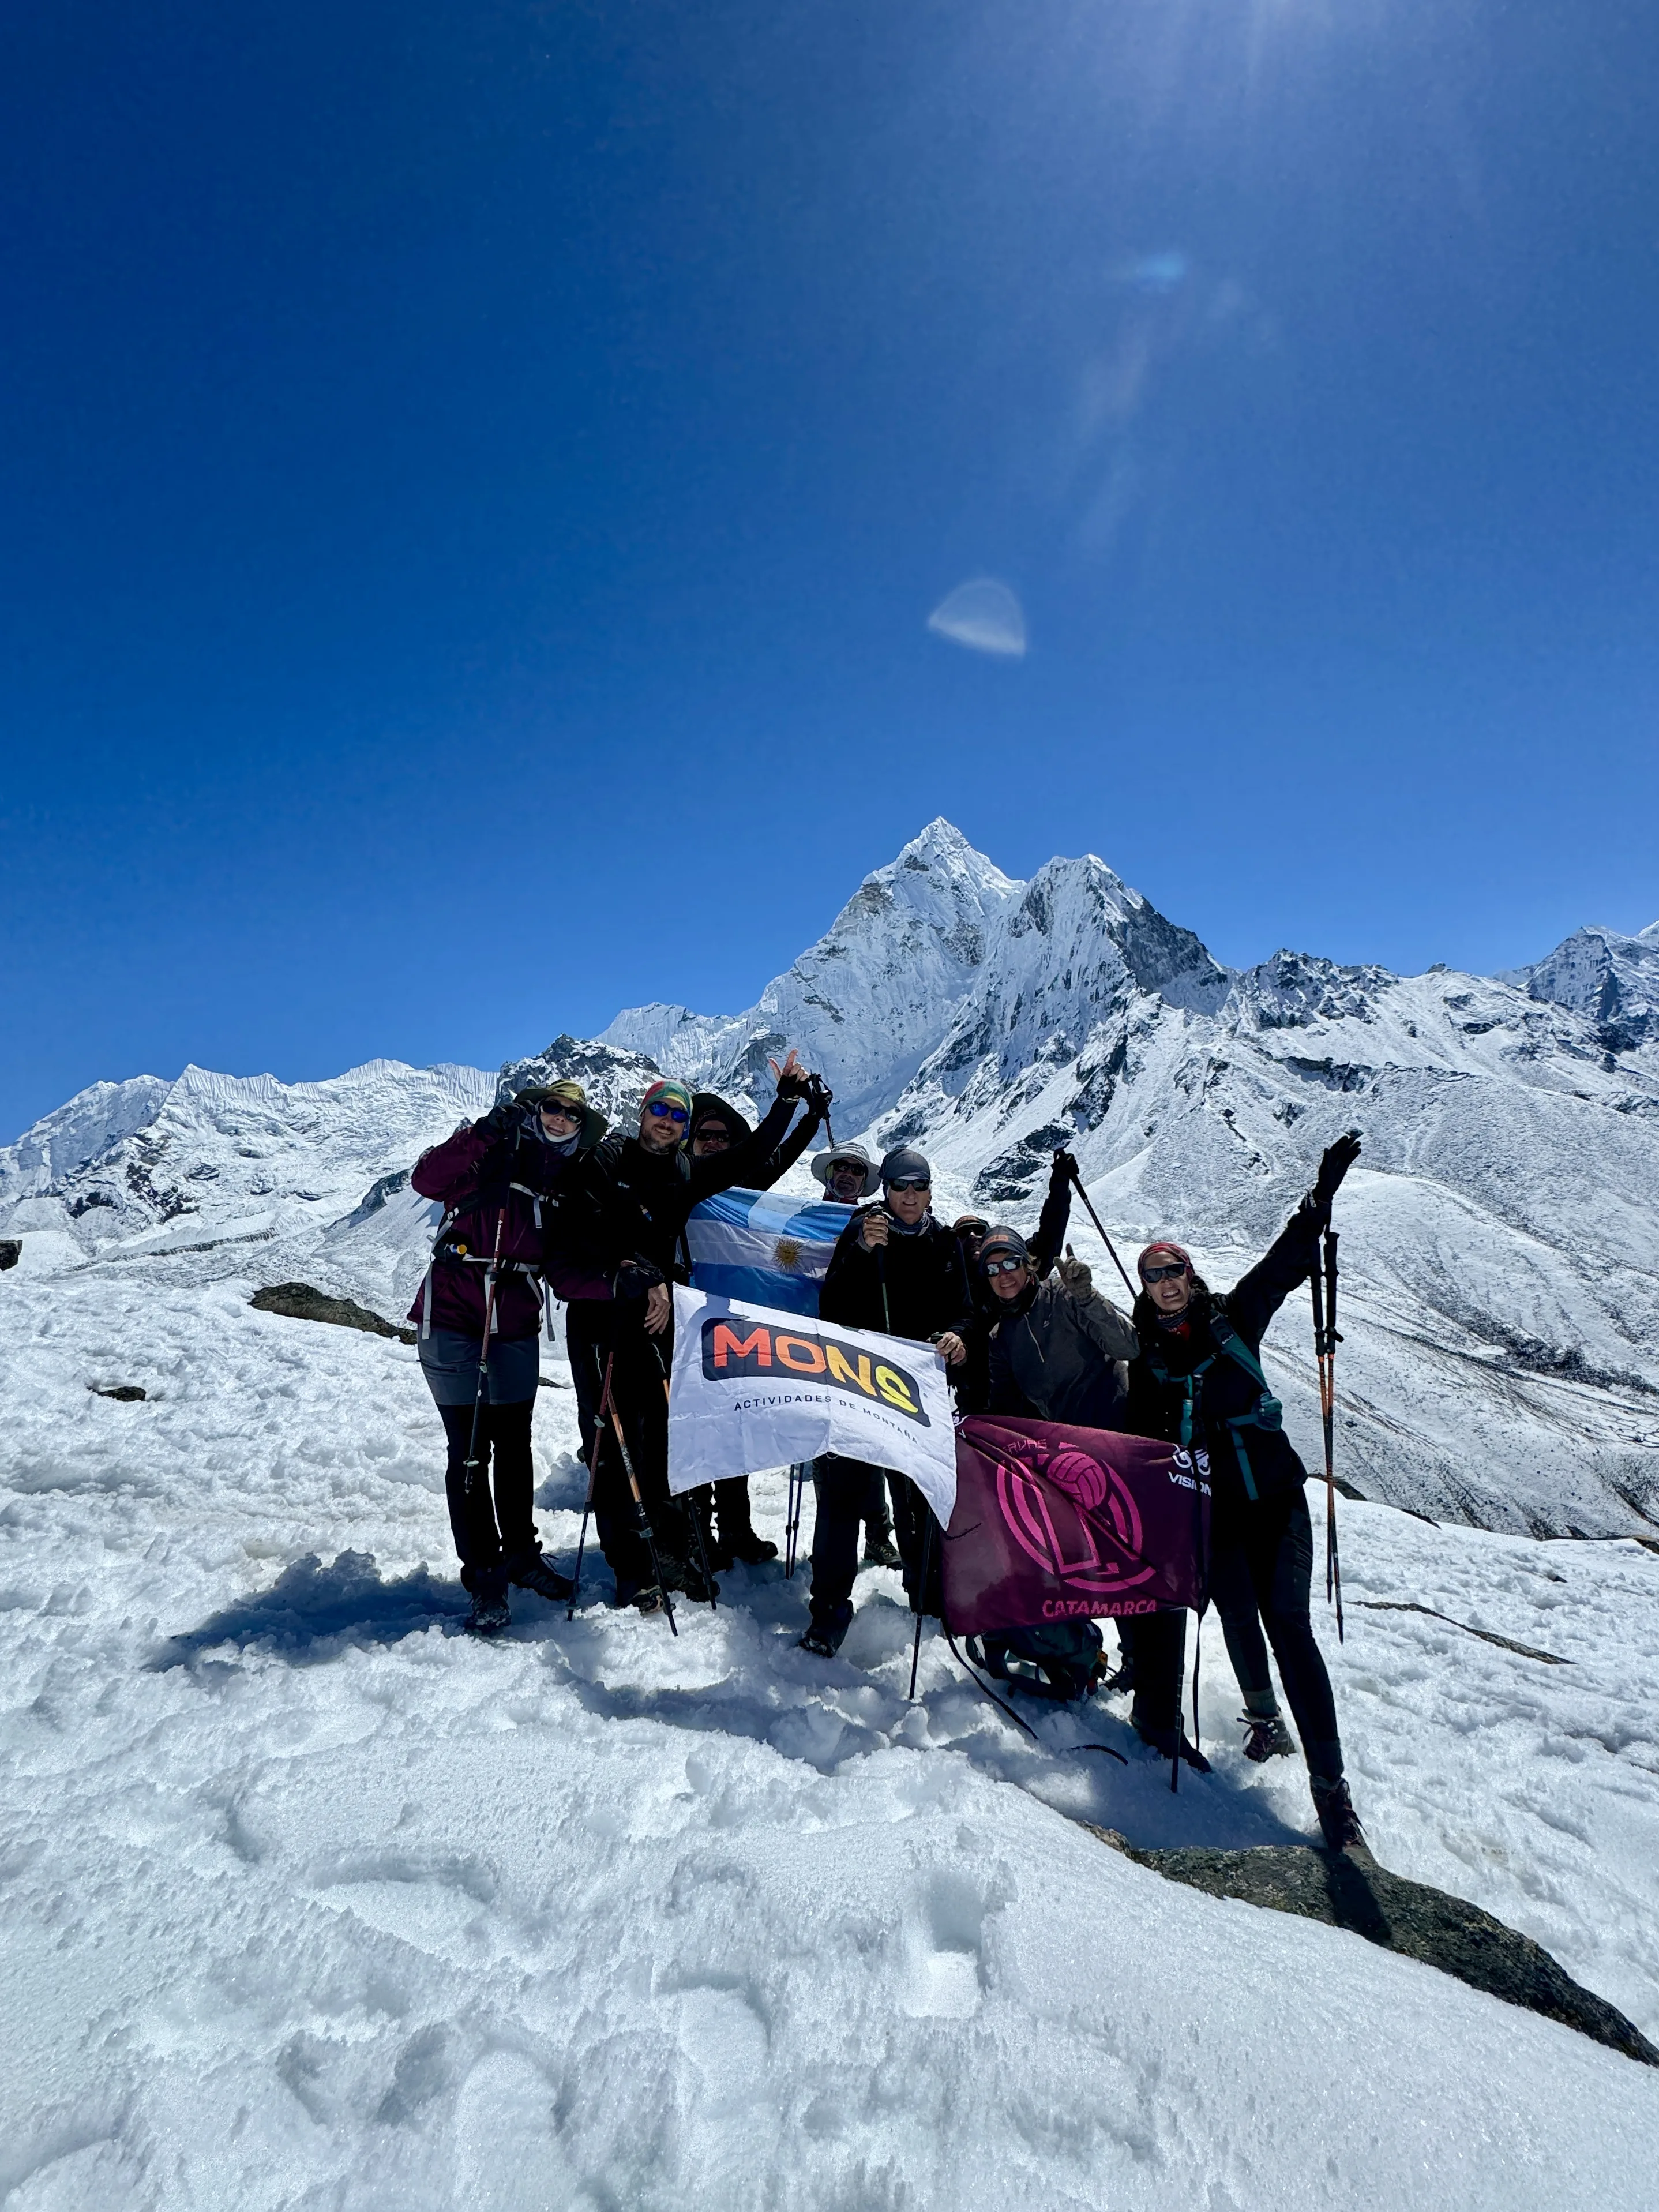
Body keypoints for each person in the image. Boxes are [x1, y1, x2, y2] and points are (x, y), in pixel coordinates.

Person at [1123, 1131, 1367, 1851]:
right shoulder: (1149, 1361)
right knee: (1235, 1613)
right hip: (1217, 1514)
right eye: (1152, 1275)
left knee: (1287, 1624)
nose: (1165, 1283)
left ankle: (1332, 1794)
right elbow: (1141, 1439)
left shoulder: (1234, 1319)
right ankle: (1263, 1719)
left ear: (1189, 1275)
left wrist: (1319, 1198)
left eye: (1173, 1271)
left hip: (1278, 1499)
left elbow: (1285, 1266)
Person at [564, 1053, 820, 1611]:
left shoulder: (681, 1174)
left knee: (659, 1444)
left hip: (656, 1326)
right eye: (660, 1109)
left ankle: (668, 1551)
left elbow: (750, 1159)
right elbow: (582, 1237)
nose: (668, 1121)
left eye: (678, 1116)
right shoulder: (607, 1161)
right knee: (613, 1447)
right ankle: (631, 1568)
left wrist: (785, 1102)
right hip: (601, 1321)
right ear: (642, 1112)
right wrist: (640, 1273)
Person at [979, 1217, 1195, 1757]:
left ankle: (1161, 1712)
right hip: (1072, 1464)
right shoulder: (1000, 1338)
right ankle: (1136, 1672)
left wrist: (1087, 1295)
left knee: (1147, 1574)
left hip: (1125, 1448)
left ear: (1029, 1265)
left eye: (1011, 1262)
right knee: (1113, 1573)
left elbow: (1127, 1346)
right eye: (992, 1267)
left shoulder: (1065, 1297)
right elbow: (1005, 1408)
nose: (1004, 1274)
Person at [407, 1079, 607, 1635]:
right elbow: (427, 1180)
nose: (561, 1118)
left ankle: (520, 1555)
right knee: (469, 1448)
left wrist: (619, 1287)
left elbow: (566, 1265)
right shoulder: (490, 1150)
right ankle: (486, 1576)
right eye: (553, 1107)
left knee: (513, 1444)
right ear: (536, 1109)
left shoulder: (569, 1178)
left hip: (515, 1318)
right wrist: (483, 1133)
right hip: (452, 1311)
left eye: (573, 1113)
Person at [800, 1146, 971, 1656]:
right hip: (858, 1384)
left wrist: (959, 1336)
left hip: (918, 1390)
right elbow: (831, 1305)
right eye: (900, 1186)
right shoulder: (862, 1228)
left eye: (919, 1186)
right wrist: (858, 1253)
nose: (910, 1196)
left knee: (917, 1495)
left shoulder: (945, 1243)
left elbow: (965, 1309)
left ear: (930, 1191)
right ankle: (829, 1609)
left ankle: (927, 1594)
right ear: (887, 1190)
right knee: (841, 1498)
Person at [686, 1079, 830, 1568]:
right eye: (704, 1135)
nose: (713, 1142)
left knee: (730, 1430)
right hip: (685, 1324)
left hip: (730, 1325)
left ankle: (737, 1529)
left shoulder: (737, 1194)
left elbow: (776, 1160)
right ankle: (697, 1534)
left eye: (723, 1137)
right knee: (696, 1431)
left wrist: (810, 1118)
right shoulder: (681, 1184)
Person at [805, 1141, 901, 1568]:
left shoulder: (877, 1223)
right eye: (841, 1167)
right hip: (812, 1342)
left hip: (865, 1342)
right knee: (824, 1443)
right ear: (830, 1173)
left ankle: (878, 1532)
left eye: (856, 1171)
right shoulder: (803, 1222)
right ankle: (833, 1529)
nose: (847, 1174)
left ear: (865, 1182)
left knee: (871, 1441)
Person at [952, 1149, 1078, 1414]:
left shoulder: (1017, 1265)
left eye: (980, 1231)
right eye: (964, 1234)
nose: (974, 1236)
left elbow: (1049, 1235)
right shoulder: (950, 1285)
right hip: (978, 1401)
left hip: (1034, 1399)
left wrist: (1059, 1186)